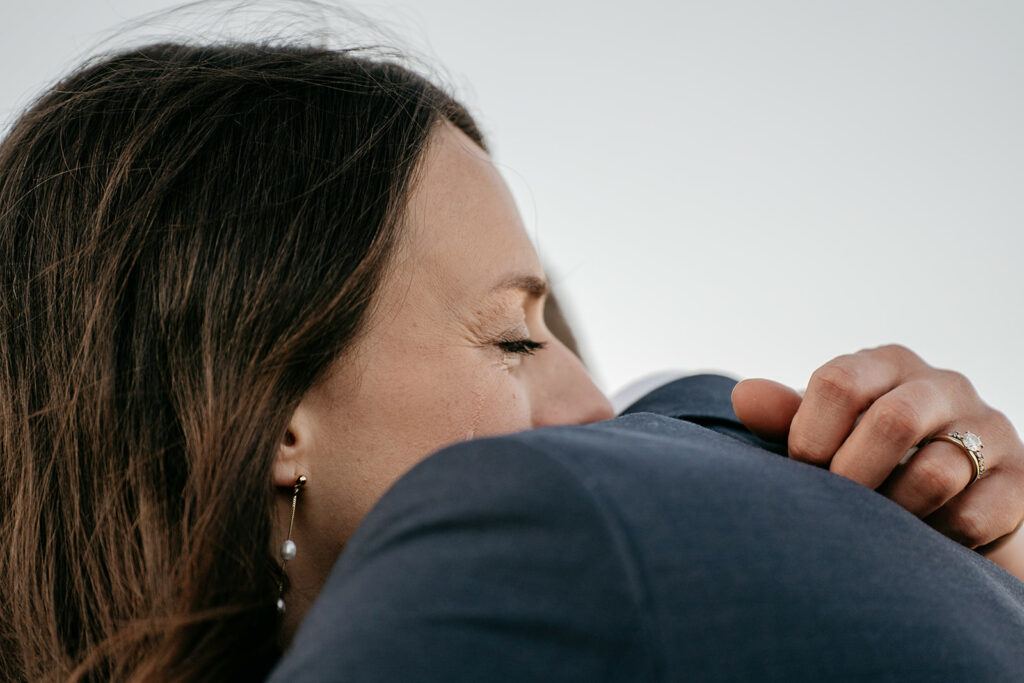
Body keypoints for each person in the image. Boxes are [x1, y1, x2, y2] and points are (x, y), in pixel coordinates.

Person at [0, 41, 1020, 681]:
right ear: (264, 409)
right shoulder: (539, 537)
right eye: (512, 337)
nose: (595, 407)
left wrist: (1000, 556)